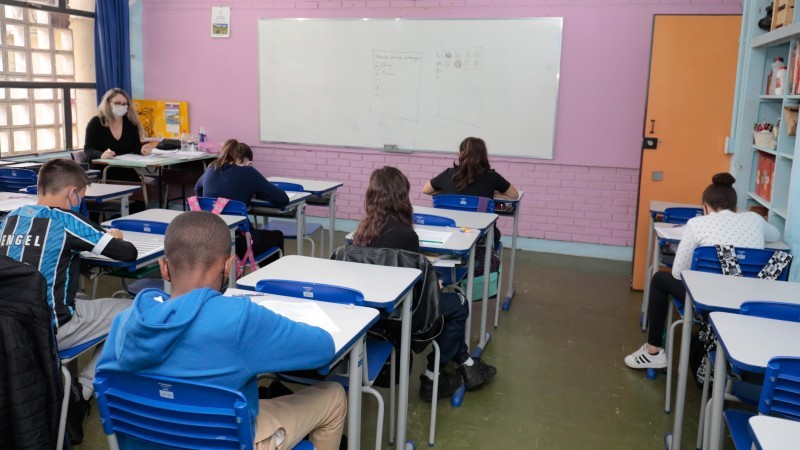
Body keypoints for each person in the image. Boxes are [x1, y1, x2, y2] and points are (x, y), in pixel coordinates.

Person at [97, 211, 346, 450]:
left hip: (146, 440)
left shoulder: (124, 321)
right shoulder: (240, 318)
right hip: (226, 441)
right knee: (333, 395)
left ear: (164, 267)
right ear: (227, 266)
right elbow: (323, 349)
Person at [0, 158, 138, 444]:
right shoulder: (66, 221)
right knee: (132, 310)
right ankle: (83, 390)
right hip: (51, 328)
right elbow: (127, 253)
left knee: (85, 299)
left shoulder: (8, 219)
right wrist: (114, 235)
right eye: (81, 197)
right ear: (72, 193)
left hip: (8, 331)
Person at [353, 166, 497, 401]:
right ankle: (432, 376)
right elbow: (416, 290)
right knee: (459, 303)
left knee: (444, 299)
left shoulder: (361, 232)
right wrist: (434, 284)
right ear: (402, 197)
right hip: (405, 314)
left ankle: (466, 361)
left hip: (376, 313)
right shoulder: (406, 234)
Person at [624, 173, 781, 370]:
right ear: (736, 207)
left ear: (705, 207)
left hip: (708, 302)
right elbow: (775, 235)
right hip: (747, 304)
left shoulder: (697, 223)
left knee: (659, 278)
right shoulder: (755, 220)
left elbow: (678, 272)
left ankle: (653, 351)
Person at [423, 137, 518, 275]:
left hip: (450, 233)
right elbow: (513, 195)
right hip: (481, 236)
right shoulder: (491, 177)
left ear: (460, 154)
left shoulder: (448, 174)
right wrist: (493, 194)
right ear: (484, 156)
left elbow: (426, 190)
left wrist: (445, 191)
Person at [195, 138, 289, 265]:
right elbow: (282, 199)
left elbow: (197, 190)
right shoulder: (248, 172)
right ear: (245, 160)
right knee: (277, 236)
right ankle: (267, 278)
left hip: (210, 242)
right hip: (239, 243)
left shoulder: (211, 169)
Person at [84, 88, 153, 183]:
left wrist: (142, 150)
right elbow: (88, 149)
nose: (121, 106)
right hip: (102, 170)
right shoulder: (96, 122)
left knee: (138, 183)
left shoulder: (130, 123)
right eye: (117, 103)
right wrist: (101, 154)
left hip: (124, 168)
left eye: (125, 104)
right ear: (108, 103)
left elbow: (135, 146)